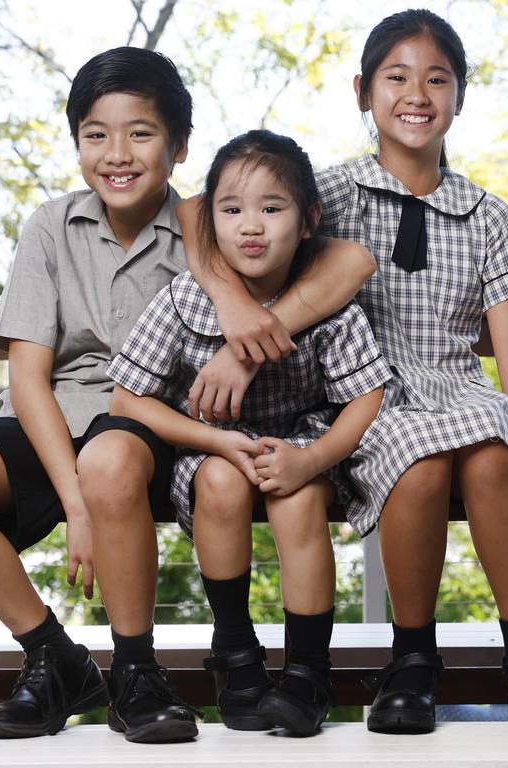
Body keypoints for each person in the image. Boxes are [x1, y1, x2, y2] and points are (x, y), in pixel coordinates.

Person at [0, 48, 375, 743]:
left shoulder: (208, 224)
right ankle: (53, 658)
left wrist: (242, 323)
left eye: (141, 133)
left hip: (147, 424)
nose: (116, 153)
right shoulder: (51, 226)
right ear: (78, 144)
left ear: (179, 145)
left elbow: (351, 261)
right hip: (52, 418)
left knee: (110, 462)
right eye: (96, 134)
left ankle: (134, 671)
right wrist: (73, 502)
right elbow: (28, 379)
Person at [185, 9, 508, 738]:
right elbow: (192, 210)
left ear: (461, 97)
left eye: (438, 79)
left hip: (457, 388)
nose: (417, 93)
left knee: (495, 456)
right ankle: (411, 659)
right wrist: (233, 314)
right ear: (362, 93)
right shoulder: (327, 193)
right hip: (362, 393)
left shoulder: (489, 216)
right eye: (395, 77)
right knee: (422, 466)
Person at [105, 130, 389, 738]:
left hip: (303, 439)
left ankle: (309, 672)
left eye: (272, 208)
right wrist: (216, 442)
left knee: (298, 501)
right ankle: (235, 652)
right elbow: (128, 399)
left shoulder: (326, 300)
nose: (250, 226)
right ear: (210, 222)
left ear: (309, 219)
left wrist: (313, 460)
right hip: (213, 443)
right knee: (222, 485)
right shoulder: (186, 300)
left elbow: (368, 396)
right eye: (231, 211)